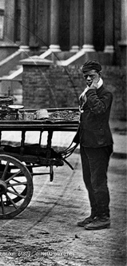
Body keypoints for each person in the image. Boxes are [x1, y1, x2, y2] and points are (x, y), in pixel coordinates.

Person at [73, 60, 113, 230]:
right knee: (89, 181)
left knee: (98, 181)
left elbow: (98, 110)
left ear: (99, 75)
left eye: (92, 76)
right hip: (87, 142)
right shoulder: (88, 92)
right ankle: (95, 213)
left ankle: (104, 217)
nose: (88, 79)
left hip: (99, 144)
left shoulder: (105, 94)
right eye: (86, 77)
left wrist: (91, 91)